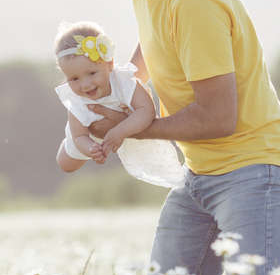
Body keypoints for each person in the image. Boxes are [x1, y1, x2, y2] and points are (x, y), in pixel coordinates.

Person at [59, 0, 280, 275]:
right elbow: (156, 39)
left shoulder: (193, 2)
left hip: (253, 170)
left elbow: (218, 118)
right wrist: (120, 90)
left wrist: (129, 128)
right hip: (199, 174)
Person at [54, 21, 184, 188]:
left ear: (110, 64)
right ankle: (66, 145)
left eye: (92, 73)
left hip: (128, 125)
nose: (85, 85)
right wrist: (92, 149)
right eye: (74, 79)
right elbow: (79, 135)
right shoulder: (76, 98)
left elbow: (146, 111)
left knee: (160, 166)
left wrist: (120, 131)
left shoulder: (125, 81)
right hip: (88, 129)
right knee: (65, 164)